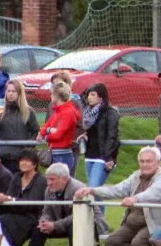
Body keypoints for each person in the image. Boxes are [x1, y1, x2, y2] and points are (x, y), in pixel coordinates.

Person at [76, 146, 161, 246]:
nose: (145, 164)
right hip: (131, 221)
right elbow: (118, 190)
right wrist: (93, 191)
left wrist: (135, 198)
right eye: (142, 161)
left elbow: (154, 193)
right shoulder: (136, 176)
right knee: (112, 242)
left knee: (138, 244)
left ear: (158, 162)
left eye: (149, 161)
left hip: (152, 223)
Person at [14, 163, 108, 246]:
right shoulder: (49, 190)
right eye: (48, 179)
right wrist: (44, 222)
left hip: (89, 224)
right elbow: (47, 210)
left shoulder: (78, 189)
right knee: (39, 230)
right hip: (63, 224)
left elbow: (78, 216)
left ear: (64, 179)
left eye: (52, 179)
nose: (49, 183)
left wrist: (54, 225)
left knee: (74, 227)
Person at [77, 83, 120, 214]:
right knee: (96, 192)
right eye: (88, 94)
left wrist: (109, 157)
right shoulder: (87, 113)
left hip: (103, 158)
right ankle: (99, 225)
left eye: (92, 94)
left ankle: (99, 225)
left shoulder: (110, 112)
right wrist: (84, 136)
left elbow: (112, 136)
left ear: (101, 97)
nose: (89, 97)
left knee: (92, 189)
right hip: (89, 155)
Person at [0, 79, 39, 174]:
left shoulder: (28, 111)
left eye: (13, 91)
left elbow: (36, 131)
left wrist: (27, 146)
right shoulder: (1, 111)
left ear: (19, 93)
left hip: (22, 158)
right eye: (8, 91)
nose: (10, 94)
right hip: (4, 156)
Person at [46, 71, 84, 177]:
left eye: (58, 83)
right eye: (53, 83)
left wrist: (66, 137)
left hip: (70, 148)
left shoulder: (75, 103)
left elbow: (81, 126)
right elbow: (47, 124)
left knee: (67, 178)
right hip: (55, 149)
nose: (55, 86)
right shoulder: (50, 105)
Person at [37, 82, 81, 172]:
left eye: (52, 94)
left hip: (63, 155)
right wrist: (46, 131)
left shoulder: (68, 112)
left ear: (57, 95)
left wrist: (45, 136)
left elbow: (58, 135)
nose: (50, 96)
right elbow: (46, 126)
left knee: (59, 182)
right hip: (56, 153)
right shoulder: (59, 111)